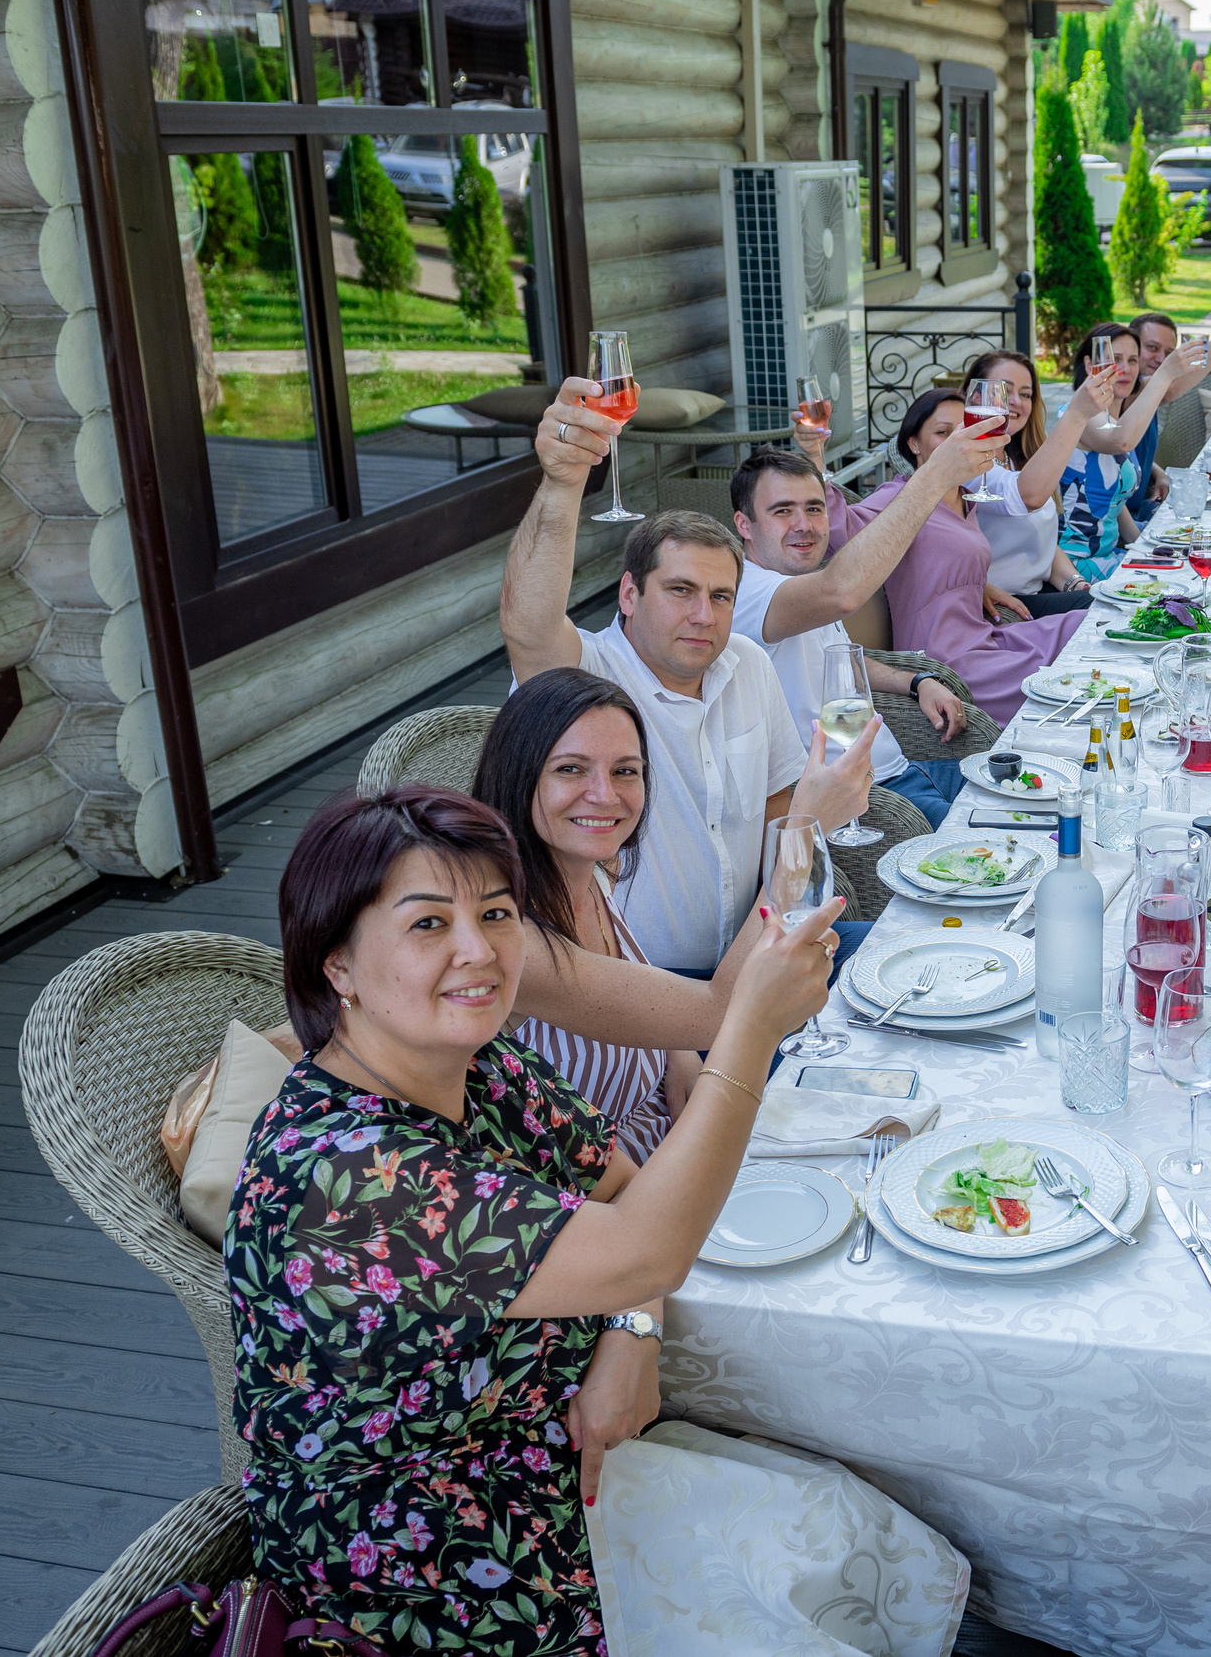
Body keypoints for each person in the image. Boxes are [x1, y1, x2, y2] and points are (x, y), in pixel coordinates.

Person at [226, 785, 892, 1653]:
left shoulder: (479, 1061)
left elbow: (622, 1190)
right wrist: (750, 1034)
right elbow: (645, 1245)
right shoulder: (349, 1182)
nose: (478, 950)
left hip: (563, 1468)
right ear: (337, 964)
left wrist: (631, 1331)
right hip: (436, 1581)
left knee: (853, 1524)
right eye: (428, 924)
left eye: (496, 913)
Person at [501, 379, 875, 974]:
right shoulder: (584, 678)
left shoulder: (747, 663)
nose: (704, 615)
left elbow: (780, 800)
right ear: (629, 593)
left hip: (761, 944)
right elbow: (528, 623)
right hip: (653, 997)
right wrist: (563, 482)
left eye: (721, 596)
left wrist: (794, 893)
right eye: (681, 591)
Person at [472, 667, 775, 1161]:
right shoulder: (509, 939)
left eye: (624, 770)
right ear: (519, 774)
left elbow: (637, 990)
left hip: (671, 1138)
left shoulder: (594, 865)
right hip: (611, 1199)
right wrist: (802, 844)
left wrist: (672, 1051)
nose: (605, 795)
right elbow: (719, 1015)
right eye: (571, 768)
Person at [725, 439, 1003, 830]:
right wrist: (934, 475)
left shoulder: (801, 579)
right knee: (1013, 841)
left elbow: (835, 655)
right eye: (782, 511)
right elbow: (841, 593)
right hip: (870, 800)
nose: (803, 524)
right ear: (744, 525)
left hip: (911, 769)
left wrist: (916, 682)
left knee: (1039, 790)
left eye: (814, 508)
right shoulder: (749, 592)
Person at [834, 389, 1090, 725]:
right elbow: (838, 529)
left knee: (1087, 624)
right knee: (1064, 684)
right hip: (946, 659)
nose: (957, 441)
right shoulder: (898, 497)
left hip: (985, 636)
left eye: (963, 430)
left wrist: (980, 582)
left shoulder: (968, 498)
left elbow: (946, 554)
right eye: (943, 433)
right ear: (914, 444)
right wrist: (815, 453)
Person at [1058, 321, 1205, 580]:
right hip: (1077, 565)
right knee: (1182, 580)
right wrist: (1165, 373)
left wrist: (1147, 548)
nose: (1125, 369)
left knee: (1194, 557)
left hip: (1111, 555)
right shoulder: (1079, 416)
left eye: (1133, 360)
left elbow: (1115, 501)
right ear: (1091, 365)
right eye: (1115, 359)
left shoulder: (1115, 421)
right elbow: (1121, 441)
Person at [958, 349, 1096, 617]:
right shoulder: (967, 460)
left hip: (1039, 590)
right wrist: (1077, 414)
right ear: (973, 396)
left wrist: (1074, 582)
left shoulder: (1018, 457)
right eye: (1003, 391)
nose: (1015, 402)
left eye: (1025, 394)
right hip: (1000, 603)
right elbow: (1027, 497)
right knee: (1103, 610)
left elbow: (1041, 540)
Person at [1125, 305, 1211, 529]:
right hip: (1123, 522)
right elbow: (1169, 389)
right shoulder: (1123, 392)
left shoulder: (1146, 393)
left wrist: (1157, 471)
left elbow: (1119, 452)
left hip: (1144, 507)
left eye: (1169, 353)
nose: (1160, 358)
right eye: (1152, 348)